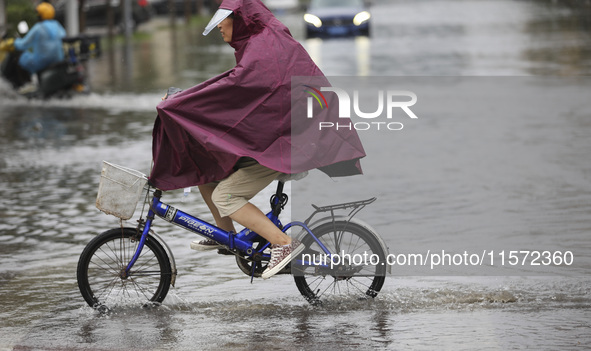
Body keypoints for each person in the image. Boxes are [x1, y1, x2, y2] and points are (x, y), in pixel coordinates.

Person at [150, 0, 366, 279]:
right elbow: (237, 92)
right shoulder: (259, 42)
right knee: (206, 174)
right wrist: (185, 98)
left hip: (288, 142)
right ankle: (225, 235)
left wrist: (183, 101)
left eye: (223, 19)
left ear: (239, 19)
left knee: (225, 197)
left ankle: (284, 244)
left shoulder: (263, 46)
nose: (218, 27)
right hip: (280, 138)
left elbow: (234, 89)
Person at [13, 2, 66, 76]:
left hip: (41, 62)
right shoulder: (57, 25)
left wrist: (14, 43)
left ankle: (27, 82)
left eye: (38, 14)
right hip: (58, 59)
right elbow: (63, 36)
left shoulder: (39, 27)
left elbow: (23, 44)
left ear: (41, 15)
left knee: (22, 59)